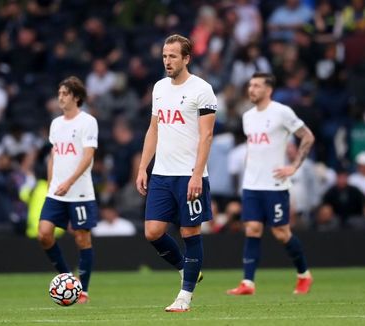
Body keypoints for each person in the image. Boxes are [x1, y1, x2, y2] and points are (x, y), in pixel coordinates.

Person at [135, 34, 217, 312]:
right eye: (164, 56)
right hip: (162, 174)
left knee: (189, 232)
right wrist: (143, 167)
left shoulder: (202, 90)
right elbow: (154, 129)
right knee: (152, 232)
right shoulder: (159, 88)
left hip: (189, 174)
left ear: (186, 58)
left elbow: (206, 137)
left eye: (172, 56)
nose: (167, 61)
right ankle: (186, 269)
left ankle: (185, 296)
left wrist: (197, 174)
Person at [227, 72, 315, 296]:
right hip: (251, 185)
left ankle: (304, 274)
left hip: (275, 185)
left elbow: (307, 137)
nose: (251, 89)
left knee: (281, 233)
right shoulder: (247, 117)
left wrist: (294, 167)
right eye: (250, 85)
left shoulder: (281, 112)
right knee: (252, 229)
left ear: (269, 90)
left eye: (256, 86)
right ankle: (248, 283)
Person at [37, 76, 99, 304]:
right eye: (59, 93)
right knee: (43, 234)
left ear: (76, 97)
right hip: (56, 191)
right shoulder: (56, 124)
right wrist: (51, 182)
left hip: (80, 191)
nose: (60, 97)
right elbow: (54, 155)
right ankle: (66, 277)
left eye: (64, 93)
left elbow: (88, 156)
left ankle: (83, 290)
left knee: (82, 239)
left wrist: (69, 182)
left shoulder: (87, 121)